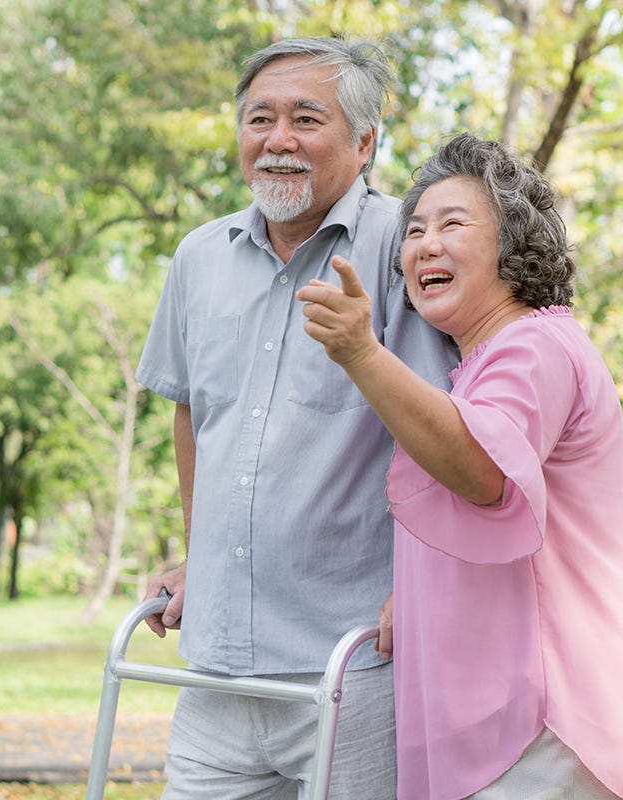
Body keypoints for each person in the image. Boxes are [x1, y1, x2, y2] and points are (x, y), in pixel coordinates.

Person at [296, 133, 623, 800]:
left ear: (511, 245)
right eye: (413, 231)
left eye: (451, 224)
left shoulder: (534, 347)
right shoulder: (481, 367)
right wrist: (408, 591)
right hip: (508, 729)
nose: (424, 245)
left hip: (548, 725)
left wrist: (361, 351)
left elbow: (483, 473)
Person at [134, 36, 455, 799]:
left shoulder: (404, 248)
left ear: (365, 142)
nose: (278, 140)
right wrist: (195, 553)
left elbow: (449, 425)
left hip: (354, 657)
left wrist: (427, 577)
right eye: (259, 119)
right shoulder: (199, 256)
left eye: (306, 119)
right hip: (216, 664)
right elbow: (192, 413)